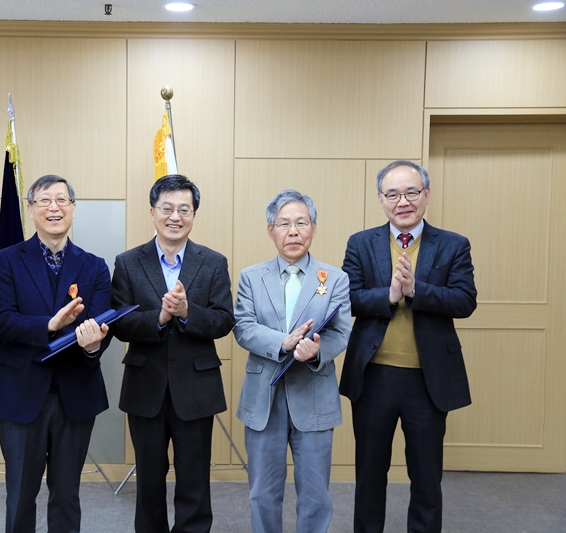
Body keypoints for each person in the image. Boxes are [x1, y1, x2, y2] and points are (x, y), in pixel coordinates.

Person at [339, 160, 477, 533]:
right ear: (381, 199)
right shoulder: (361, 243)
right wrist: (389, 295)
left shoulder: (453, 244)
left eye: (411, 192)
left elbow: (465, 300)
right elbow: (347, 298)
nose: (403, 201)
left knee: (427, 478)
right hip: (374, 377)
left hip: (428, 381)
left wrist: (416, 290)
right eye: (393, 194)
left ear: (426, 195)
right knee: (370, 476)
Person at [0, 175, 111, 533]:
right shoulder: (7, 260)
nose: (54, 208)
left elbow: (101, 322)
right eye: (45, 201)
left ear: (73, 208)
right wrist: (49, 325)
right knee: (20, 496)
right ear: (31, 208)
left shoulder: (95, 266)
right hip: (19, 395)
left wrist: (94, 344)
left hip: (76, 393)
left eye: (62, 200)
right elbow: (2, 321)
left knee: (67, 496)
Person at [111, 174, 235, 533]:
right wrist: (160, 317)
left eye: (184, 209)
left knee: (195, 480)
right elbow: (119, 323)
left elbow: (224, 320)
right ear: (152, 212)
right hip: (145, 386)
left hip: (197, 388)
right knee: (149, 482)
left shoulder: (212, 262)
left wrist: (187, 312)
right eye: (167, 208)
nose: (175, 217)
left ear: (194, 214)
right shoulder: (128, 262)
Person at [233, 189, 352, 533]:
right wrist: (281, 343)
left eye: (301, 223)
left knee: (315, 495)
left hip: (314, 395)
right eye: (284, 224)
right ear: (270, 230)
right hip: (263, 398)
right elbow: (243, 326)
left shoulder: (335, 279)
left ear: (314, 228)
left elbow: (341, 331)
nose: (293, 231)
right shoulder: (251, 277)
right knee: (262, 493)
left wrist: (317, 351)